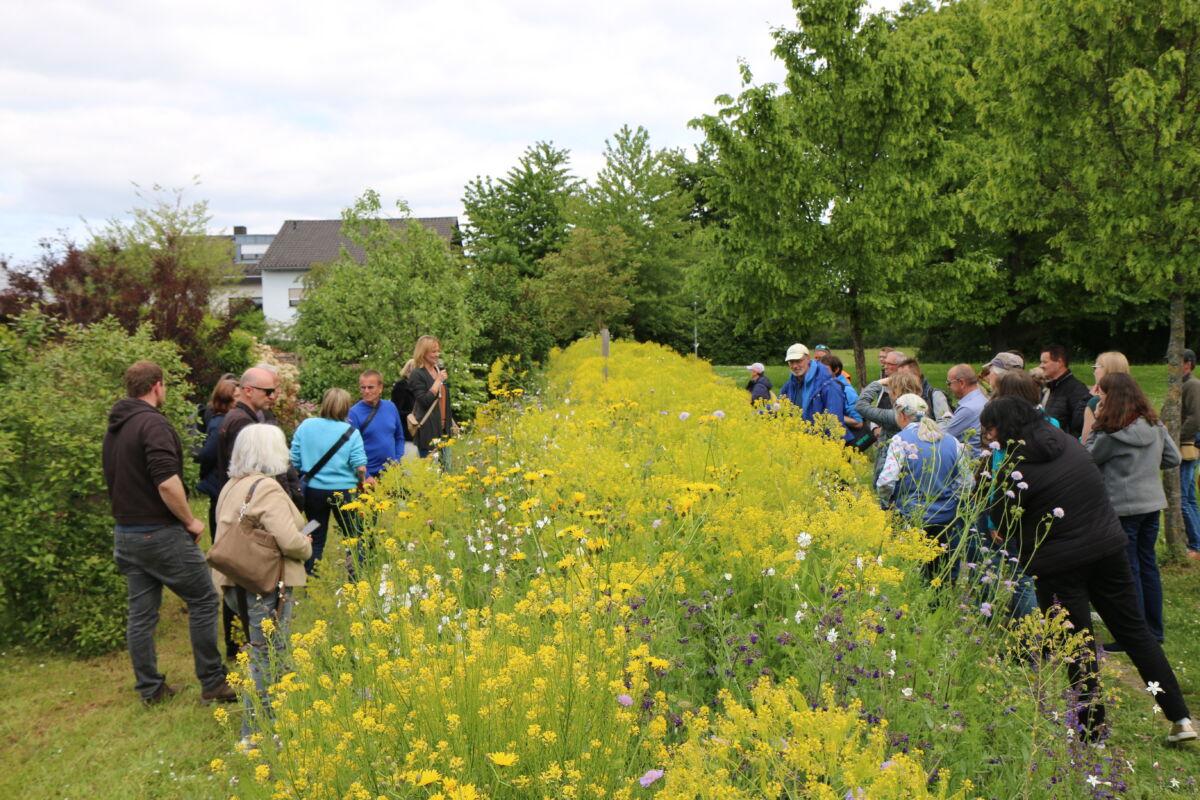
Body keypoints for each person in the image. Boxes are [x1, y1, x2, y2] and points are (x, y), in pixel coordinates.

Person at [979, 396, 1195, 745]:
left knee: (1076, 645)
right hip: (1109, 550)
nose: (990, 438)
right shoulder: (1068, 443)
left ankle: (1091, 731)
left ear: (1006, 428)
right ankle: (1179, 717)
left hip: (1057, 566)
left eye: (991, 430)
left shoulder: (1015, 469)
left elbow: (1002, 523)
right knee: (1135, 634)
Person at [101, 360, 234, 706]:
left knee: (141, 615)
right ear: (157, 386)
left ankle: (150, 689)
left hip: (126, 534)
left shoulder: (116, 427)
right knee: (204, 598)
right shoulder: (152, 424)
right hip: (157, 532)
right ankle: (213, 683)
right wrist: (191, 521)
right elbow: (166, 482)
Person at [213, 424, 312, 750]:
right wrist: (306, 544)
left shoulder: (232, 485)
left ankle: (267, 726)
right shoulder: (267, 487)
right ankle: (255, 735)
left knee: (262, 654)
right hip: (264, 585)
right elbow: (288, 541)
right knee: (267, 657)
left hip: (235, 584)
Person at [1086, 373, 1180, 648]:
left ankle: (1134, 636)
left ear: (1110, 396)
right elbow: (1172, 458)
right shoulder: (1154, 423)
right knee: (1148, 566)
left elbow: (1087, 458)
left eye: (1101, 394)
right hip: (1152, 504)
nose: (1098, 398)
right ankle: (1154, 630)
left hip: (1123, 507)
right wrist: (1147, 469)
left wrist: (1095, 422)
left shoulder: (1109, 432)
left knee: (1129, 571)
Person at [876, 393, 970, 580]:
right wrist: (953, 503)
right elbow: (966, 483)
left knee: (911, 572)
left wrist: (888, 505)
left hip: (910, 516)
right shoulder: (952, 441)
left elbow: (886, 481)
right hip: (946, 517)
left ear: (902, 415)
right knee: (940, 573)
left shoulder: (900, 441)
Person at [291, 388, 367, 574]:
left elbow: (294, 460)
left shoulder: (306, 425)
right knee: (354, 536)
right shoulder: (351, 432)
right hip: (345, 494)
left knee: (314, 532)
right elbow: (360, 467)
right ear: (346, 407)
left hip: (314, 492)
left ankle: (310, 577)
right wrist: (361, 484)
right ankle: (356, 579)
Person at [856, 369, 923, 476]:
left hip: (890, 468)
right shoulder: (921, 411)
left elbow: (861, 406)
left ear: (896, 392)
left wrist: (877, 383)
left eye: (890, 389)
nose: (888, 392)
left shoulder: (896, 416)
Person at [777, 343, 849, 440]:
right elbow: (778, 407)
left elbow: (834, 420)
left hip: (820, 443)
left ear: (808, 359)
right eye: (791, 362)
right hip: (798, 440)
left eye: (798, 361)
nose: (794, 366)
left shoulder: (828, 384)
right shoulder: (791, 384)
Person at [196, 376, 239, 535]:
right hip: (218, 482)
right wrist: (204, 474)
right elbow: (208, 454)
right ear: (226, 398)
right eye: (236, 396)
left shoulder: (227, 420)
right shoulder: (220, 423)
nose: (240, 400)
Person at [407, 336, 460, 459]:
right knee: (432, 473)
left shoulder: (437, 370)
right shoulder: (417, 374)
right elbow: (425, 401)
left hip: (444, 431)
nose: (437, 355)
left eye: (438, 351)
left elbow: (443, 402)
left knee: (447, 472)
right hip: (428, 432)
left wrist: (452, 423)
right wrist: (438, 381)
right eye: (434, 351)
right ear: (423, 352)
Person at [350, 369, 405, 480]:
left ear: (380, 388)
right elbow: (351, 448)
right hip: (368, 474)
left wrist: (397, 460)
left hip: (391, 472)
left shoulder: (390, 407)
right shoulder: (353, 413)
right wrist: (366, 475)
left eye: (370, 387)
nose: (366, 391)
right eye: (363, 387)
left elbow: (399, 437)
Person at [1039, 344, 1091, 437]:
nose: (1041, 366)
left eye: (1045, 362)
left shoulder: (1077, 390)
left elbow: (1079, 426)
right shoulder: (1050, 388)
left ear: (1059, 362)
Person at [1080, 351, 1130, 444]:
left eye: (1095, 368)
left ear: (1107, 370)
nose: (1093, 372)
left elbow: (1085, 444)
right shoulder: (1138, 401)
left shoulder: (1095, 403)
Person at [941, 364, 986, 456]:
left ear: (962, 383)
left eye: (949, 383)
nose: (948, 387)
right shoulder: (982, 399)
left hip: (970, 465)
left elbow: (942, 438)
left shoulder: (968, 409)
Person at [1182, 348, 1200, 560]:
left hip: (1187, 446)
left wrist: (1174, 437)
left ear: (1187, 364)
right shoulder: (1183, 385)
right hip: (1187, 445)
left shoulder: (1192, 385)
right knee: (1188, 497)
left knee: (1182, 499)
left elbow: (1195, 419)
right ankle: (1196, 542)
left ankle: (1194, 545)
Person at [391, 359, 420, 460]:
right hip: (406, 433)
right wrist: (413, 415)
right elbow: (396, 411)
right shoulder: (401, 387)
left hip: (419, 434)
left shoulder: (419, 387)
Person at [826, 355, 863, 433]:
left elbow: (858, 422)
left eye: (825, 369)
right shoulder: (824, 387)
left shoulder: (847, 390)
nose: (820, 373)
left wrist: (831, 417)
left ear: (836, 370)